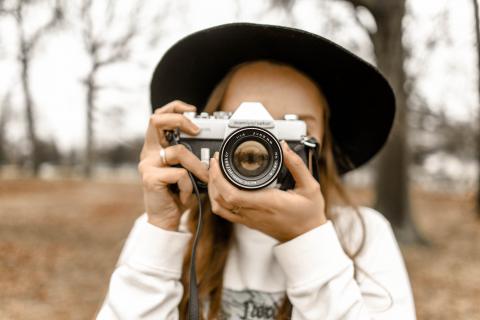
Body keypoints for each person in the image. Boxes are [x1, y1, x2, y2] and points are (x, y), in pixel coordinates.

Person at [96, 23, 416, 319]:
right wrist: (160, 230)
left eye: (292, 127)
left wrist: (308, 239)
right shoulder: (171, 230)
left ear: (323, 145)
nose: (265, 146)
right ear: (204, 134)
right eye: (241, 126)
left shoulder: (362, 233)